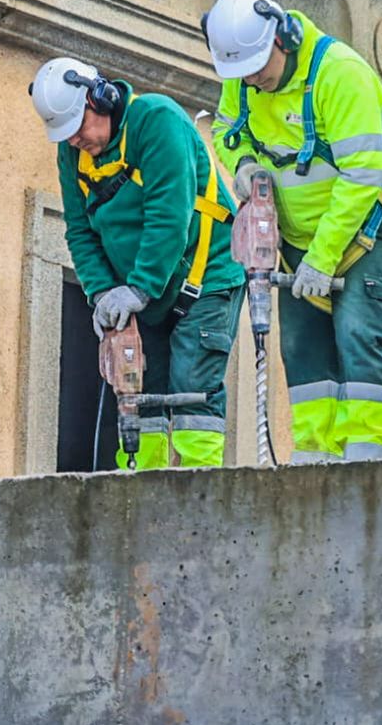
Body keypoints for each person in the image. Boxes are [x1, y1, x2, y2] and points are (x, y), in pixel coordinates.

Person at [201, 0, 382, 463]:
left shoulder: (341, 75)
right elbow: (225, 129)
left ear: (284, 38)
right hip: (296, 241)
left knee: (360, 337)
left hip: (363, 233)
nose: (253, 81)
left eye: (259, 68)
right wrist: (243, 166)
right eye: (243, 73)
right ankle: (315, 458)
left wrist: (322, 258)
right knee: (301, 348)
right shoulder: (243, 76)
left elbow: (362, 177)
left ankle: (367, 461)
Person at [31, 57, 245, 469]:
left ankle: (201, 491)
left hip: (205, 277)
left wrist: (139, 288)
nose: (74, 140)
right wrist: (101, 293)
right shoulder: (73, 153)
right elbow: (79, 231)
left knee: (192, 390)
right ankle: (140, 487)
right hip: (141, 288)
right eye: (66, 134)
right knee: (140, 396)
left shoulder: (157, 121)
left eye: (78, 126)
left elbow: (169, 216)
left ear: (101, 99)